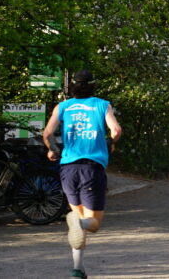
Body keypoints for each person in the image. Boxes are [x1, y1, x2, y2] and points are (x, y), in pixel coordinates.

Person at [42, 70, 123, 279]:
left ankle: (78, 269)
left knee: (77, 221)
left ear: (73, 86)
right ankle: (79, 225)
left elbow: (47, 134)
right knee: (91, 224)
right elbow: (116, 130)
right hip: (92, 167)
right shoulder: (102, 105)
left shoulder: (62, 107)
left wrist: (51, 149)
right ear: (93, 85)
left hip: (68, 168)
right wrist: (111, 143)